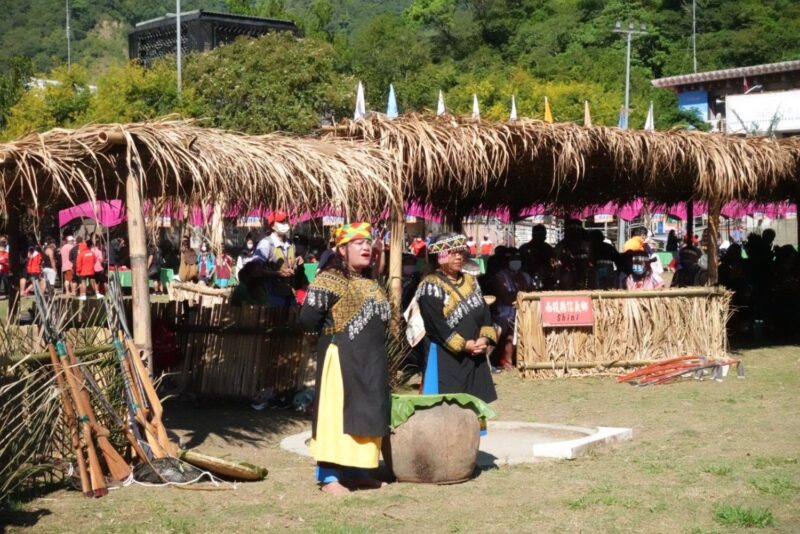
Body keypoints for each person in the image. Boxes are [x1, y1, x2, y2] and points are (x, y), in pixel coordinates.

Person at [299, 222, 390, 495]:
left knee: (366, 412)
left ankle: (359, 472)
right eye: (357, 243)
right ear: (341, 249)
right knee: (336, 414)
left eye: (367, 242)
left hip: (371, 361)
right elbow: (307, 320)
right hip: (341, 358)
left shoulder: (370, 283)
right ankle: (329, 476)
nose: (365, 247)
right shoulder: (328, 280)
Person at [414, 233, 498, 403]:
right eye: (452, 253)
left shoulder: (470, 281)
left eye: (460, 252)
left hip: (476, 356)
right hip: (447, 360)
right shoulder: (430, 287)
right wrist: (464, 345)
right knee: (450, 410)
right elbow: (436, 325)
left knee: (476, 408)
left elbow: (485, 312)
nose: (458, 257)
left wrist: (484, 338)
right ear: (439, 256)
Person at [491, 249, 536, 369]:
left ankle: (524, 359)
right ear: (507, 261)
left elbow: (533, 294)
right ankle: (506, 361)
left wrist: (520, 296)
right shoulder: (500, 277)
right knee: (509, 333)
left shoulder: (526, 276)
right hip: (504, 313)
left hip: (525, 311)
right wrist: (522, 295)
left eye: (518, 259)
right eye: (512, 259)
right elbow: (506, 296)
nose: (515, 262)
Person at [254, 210, 302, 308]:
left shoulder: (291, 244)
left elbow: (292, 267)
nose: (284, 224)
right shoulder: (266, 244)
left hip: (290, 295)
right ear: (272, 226)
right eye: (281, 222)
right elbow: (255, 269)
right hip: (272, 296)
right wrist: (277, 273)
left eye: (285, 221)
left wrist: (297, 263)